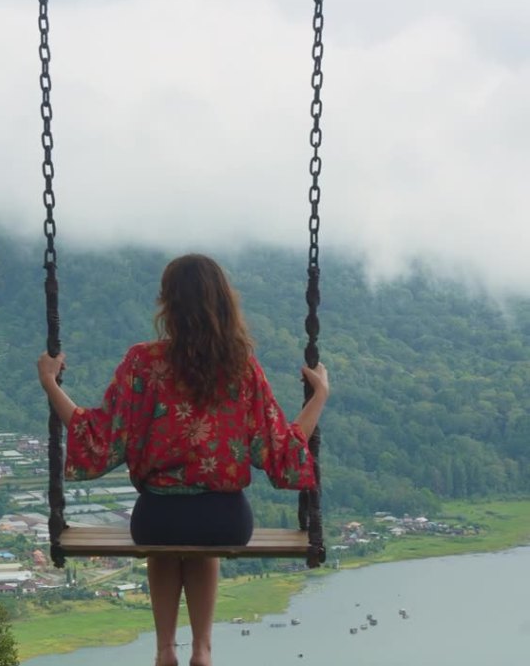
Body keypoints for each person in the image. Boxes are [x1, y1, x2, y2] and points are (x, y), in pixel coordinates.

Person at [37, 253, 329, 666]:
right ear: (225, 303)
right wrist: (320, 396)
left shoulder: (142, 362)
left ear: (168, 304)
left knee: (165, 542)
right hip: (225, 519)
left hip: (156, 516)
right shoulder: (240, 368)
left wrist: (50, 383)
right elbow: (280, 449)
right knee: (204, 541)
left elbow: (98, 436)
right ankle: (202, 650)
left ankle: (164, 650)